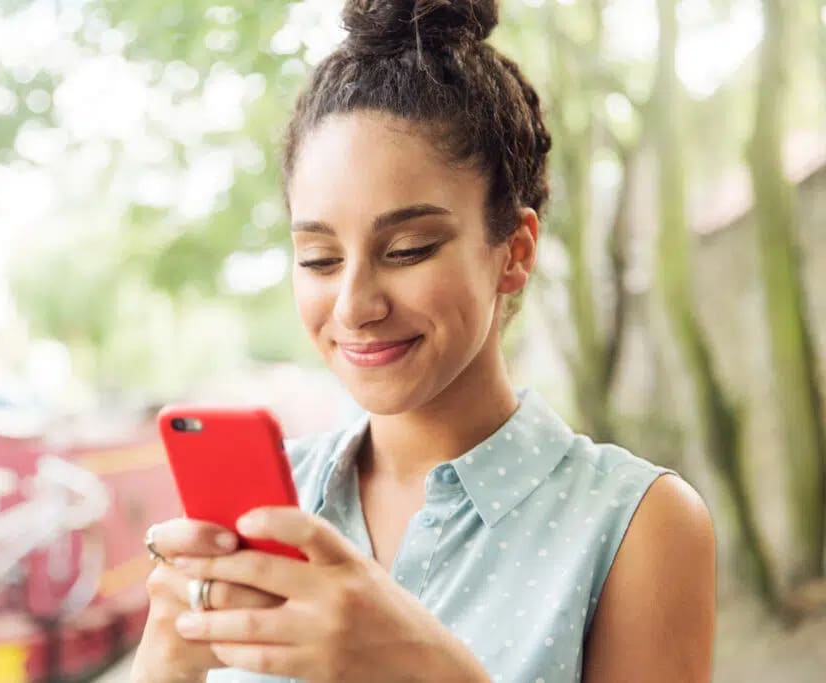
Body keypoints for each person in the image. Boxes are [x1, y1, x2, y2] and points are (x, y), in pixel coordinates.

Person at [132, 1, 716, 682]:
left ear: (514, 251)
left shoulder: (635, 524)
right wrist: (162, 664)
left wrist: (429, 670)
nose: (354, 305)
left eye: (407, 249)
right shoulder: (263, 507)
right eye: (319, 258)